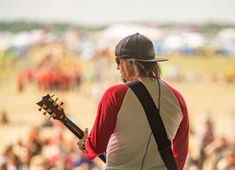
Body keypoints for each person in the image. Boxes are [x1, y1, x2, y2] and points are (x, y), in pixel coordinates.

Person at [77, 33, 189, 170]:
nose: (118, 68)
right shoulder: (178, 98)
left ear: (131, 63)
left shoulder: (115, 94)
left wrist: (87, 145)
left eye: (119, 62)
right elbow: (181, 154)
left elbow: (98, 145)